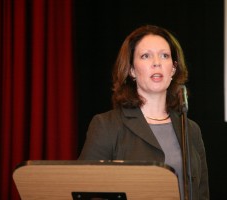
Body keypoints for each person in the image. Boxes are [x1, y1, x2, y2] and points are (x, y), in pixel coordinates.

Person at [78, 24, 210, 200]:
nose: (157, 62)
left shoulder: (191, 129)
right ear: (132, 70)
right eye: (146, 56)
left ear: (173, 68)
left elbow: (202, 193)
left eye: (164, 56)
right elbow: (85, 191)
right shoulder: (107, 125)